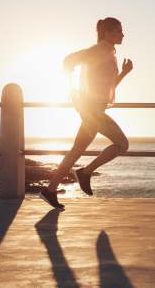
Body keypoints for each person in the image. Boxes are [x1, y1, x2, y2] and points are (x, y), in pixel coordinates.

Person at [40, 17, 133, 209]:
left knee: (76, 150)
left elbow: (108, 87)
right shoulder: (98, 51)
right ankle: (85, 172)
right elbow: (69, 61)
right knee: (122, 144)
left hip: (94, 110)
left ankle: (50, 190)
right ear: (106, 33)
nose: (122, 34)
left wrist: (124, 73)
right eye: (118, 31)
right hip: (93, 111)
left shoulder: (108, 53)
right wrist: (73, 91)